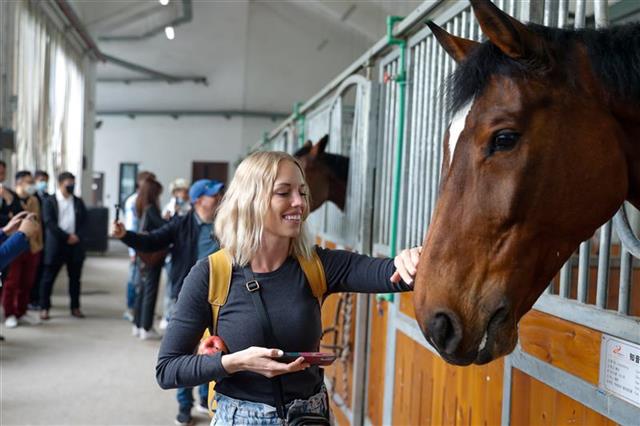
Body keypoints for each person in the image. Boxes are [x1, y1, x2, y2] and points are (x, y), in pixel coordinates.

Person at [154, 152, 419, 425]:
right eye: (284, 192)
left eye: (302, 193)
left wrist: (413, 258)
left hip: (309, 417)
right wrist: (235, 362)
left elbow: (393, 274)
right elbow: (167, 369)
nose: (299, 203)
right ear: (251, 201)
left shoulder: (318, 265)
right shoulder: (210, 275)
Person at [112, 178, 225, 425]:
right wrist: (125, 236)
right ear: (197, 200)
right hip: (187, 297)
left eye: (218, 194)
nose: (218, 198)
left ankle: (204, 398)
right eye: (212, 195)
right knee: (184, 354)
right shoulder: (181, 224)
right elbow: (152, 240)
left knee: (214, 350)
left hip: (220, 298)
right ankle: (184, 406)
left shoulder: (226, 225)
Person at [39, 172, 87, 320]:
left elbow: (85, 222)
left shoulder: (78, 202)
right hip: (56, 245)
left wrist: (77, 236)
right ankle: (44, 308)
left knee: (75, 279)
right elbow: (49, 223)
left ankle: (75, 307)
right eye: (68, 183)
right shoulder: (50, 201)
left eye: (73, 183)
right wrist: (66, 237)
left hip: (75, 246)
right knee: (48, 278)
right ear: (60, 184)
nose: (71, 186)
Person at [2, 171, 43, 328]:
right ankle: (9, 313)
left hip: (31, 246)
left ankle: (21, 311)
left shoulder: (34, 199)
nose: (32, 184)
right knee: (12, 282)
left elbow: (39, 223)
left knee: (27, 282)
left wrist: (38, 244)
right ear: (19, 182)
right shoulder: (9, 197)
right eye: (28, 181)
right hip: (13, 244)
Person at [132, 178, 166, 340]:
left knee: (142, 290)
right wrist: (169, 219)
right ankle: (146, 326)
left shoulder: (141, 206)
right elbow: (163, 227)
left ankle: (137, 324)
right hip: (152, 254)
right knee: (150, 290)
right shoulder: (151, 208)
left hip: (143, 253)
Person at [122, 171, 156, 322]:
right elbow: (131, 226)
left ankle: (137, 310)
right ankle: (130, 308)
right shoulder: (133, 201)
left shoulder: (147, 201)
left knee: (140, 280)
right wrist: (133, 250)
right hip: (137, 247)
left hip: (145, 246)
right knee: (134, 279)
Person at [159, 178, 191, 330]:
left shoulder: (191, 207)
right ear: (175, 192)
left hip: (186, 254)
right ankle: (167, 316)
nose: (184, 193)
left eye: (186, 190)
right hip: (173, 254)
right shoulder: (170, 207)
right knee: (171, 286)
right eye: (181, 190)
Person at [29, 170, 50, 310]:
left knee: (41, 270)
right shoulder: (31, 196)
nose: (43, 183)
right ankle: (30, 299)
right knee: (31, 272)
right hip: (33, 238)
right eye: (41, 179)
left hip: (45, 238)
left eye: (45, 180)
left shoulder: (48, 197)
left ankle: (37, 298)